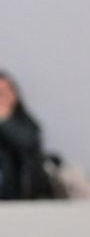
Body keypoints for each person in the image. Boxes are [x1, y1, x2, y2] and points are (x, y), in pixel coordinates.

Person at [0, 71, 57, 200]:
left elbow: (28, 142)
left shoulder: (26, 122)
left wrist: (4, 120)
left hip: (23, 195)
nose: (2, 97)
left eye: (5, 92)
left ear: (15, 95)